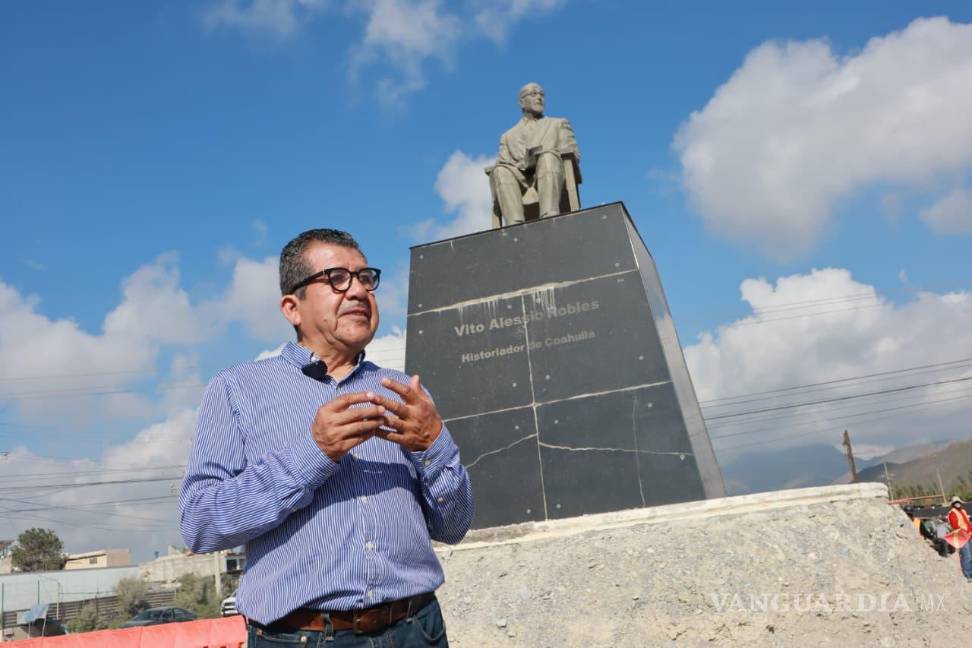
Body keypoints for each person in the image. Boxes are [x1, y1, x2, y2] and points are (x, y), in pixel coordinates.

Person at [180, 228, 474, 646]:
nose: (357, 291)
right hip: (302, 637)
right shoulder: (236, 390)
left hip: (416, 629)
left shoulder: (404, 392)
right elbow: (200, 525)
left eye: (365, 278)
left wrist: (435, 443)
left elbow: (455, 526)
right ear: (291, 307)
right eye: (336, 278)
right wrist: (313, 454)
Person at [488, 82, 581, 225]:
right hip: (521, 179)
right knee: (500, 170)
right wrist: (524, 162)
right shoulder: (507, 136)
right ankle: (515, 227)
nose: (539, 98)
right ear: (521, 103)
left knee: (548, 157)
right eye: (533, 94)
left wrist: (545, 155)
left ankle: (549, 218)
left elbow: (573, 154)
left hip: (552, 174)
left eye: (542, 94)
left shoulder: (558, 123)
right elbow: (503, 162)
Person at [947, 496, 972, 580]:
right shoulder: (952, 512)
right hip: (961, 536)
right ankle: (967, 574)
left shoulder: (963, 511)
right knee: (966, 555)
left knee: (970, 554)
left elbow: (968, 523)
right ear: (953, 504)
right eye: (955, 502)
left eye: (958, 502)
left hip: (969, 535)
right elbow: (955, 526)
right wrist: (964, 531)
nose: (957, 503)